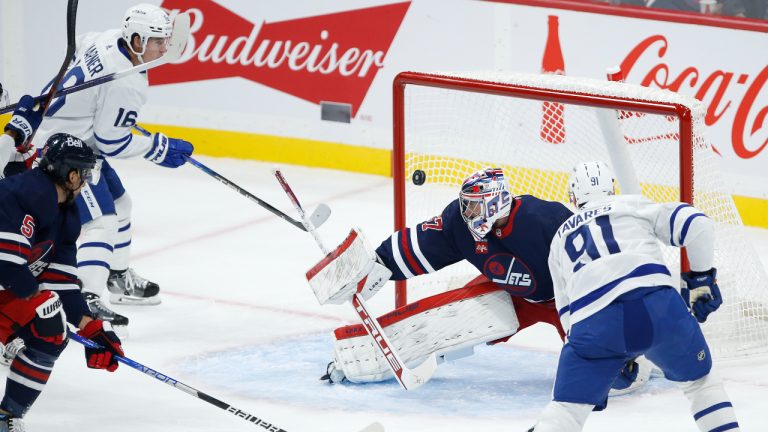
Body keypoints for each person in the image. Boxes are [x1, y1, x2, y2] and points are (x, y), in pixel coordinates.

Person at [530, 161, 739, 432]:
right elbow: (698, 224)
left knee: (567, 409)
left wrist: (609, 358)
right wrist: (701, 280)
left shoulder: (559, 240)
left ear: (572, 197)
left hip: (593, 323)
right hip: (656, 306)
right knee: (701, 383)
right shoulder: (632, 205)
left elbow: (568, 317)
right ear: (612, 188)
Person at [318, 167, 576, 384]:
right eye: (466, 205)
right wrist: (377, 263)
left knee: (609, 375)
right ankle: (361, 364)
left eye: (474, 206)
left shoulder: (545, 218)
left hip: (571, 301)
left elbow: (593, 261)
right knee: (446, 317)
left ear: (496, 201)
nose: (468, 213)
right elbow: (425, 242)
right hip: (513, 296)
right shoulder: (460, 225)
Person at [30, 3, 195, 327]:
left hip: (68, 134)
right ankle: (87, 298)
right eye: (157, 40)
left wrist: (96, 106)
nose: (164, 47)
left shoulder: (108, 39)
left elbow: (79, 43)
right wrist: (157, 148)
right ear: (136, 40)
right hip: (62, 151)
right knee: (102, 221)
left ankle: (117, 277)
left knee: (122, 204)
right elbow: (112, 142)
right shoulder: (127, 83)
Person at [0, 118, 125, 431]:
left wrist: (93, 330)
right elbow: (7, 266)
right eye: (83, 173)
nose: (85, 180)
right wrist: (38, 298)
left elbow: (63, 285)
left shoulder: (66, 214)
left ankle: (5, 419)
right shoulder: (23, 193)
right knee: (46, 315)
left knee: (51, 332)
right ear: (71, 175)